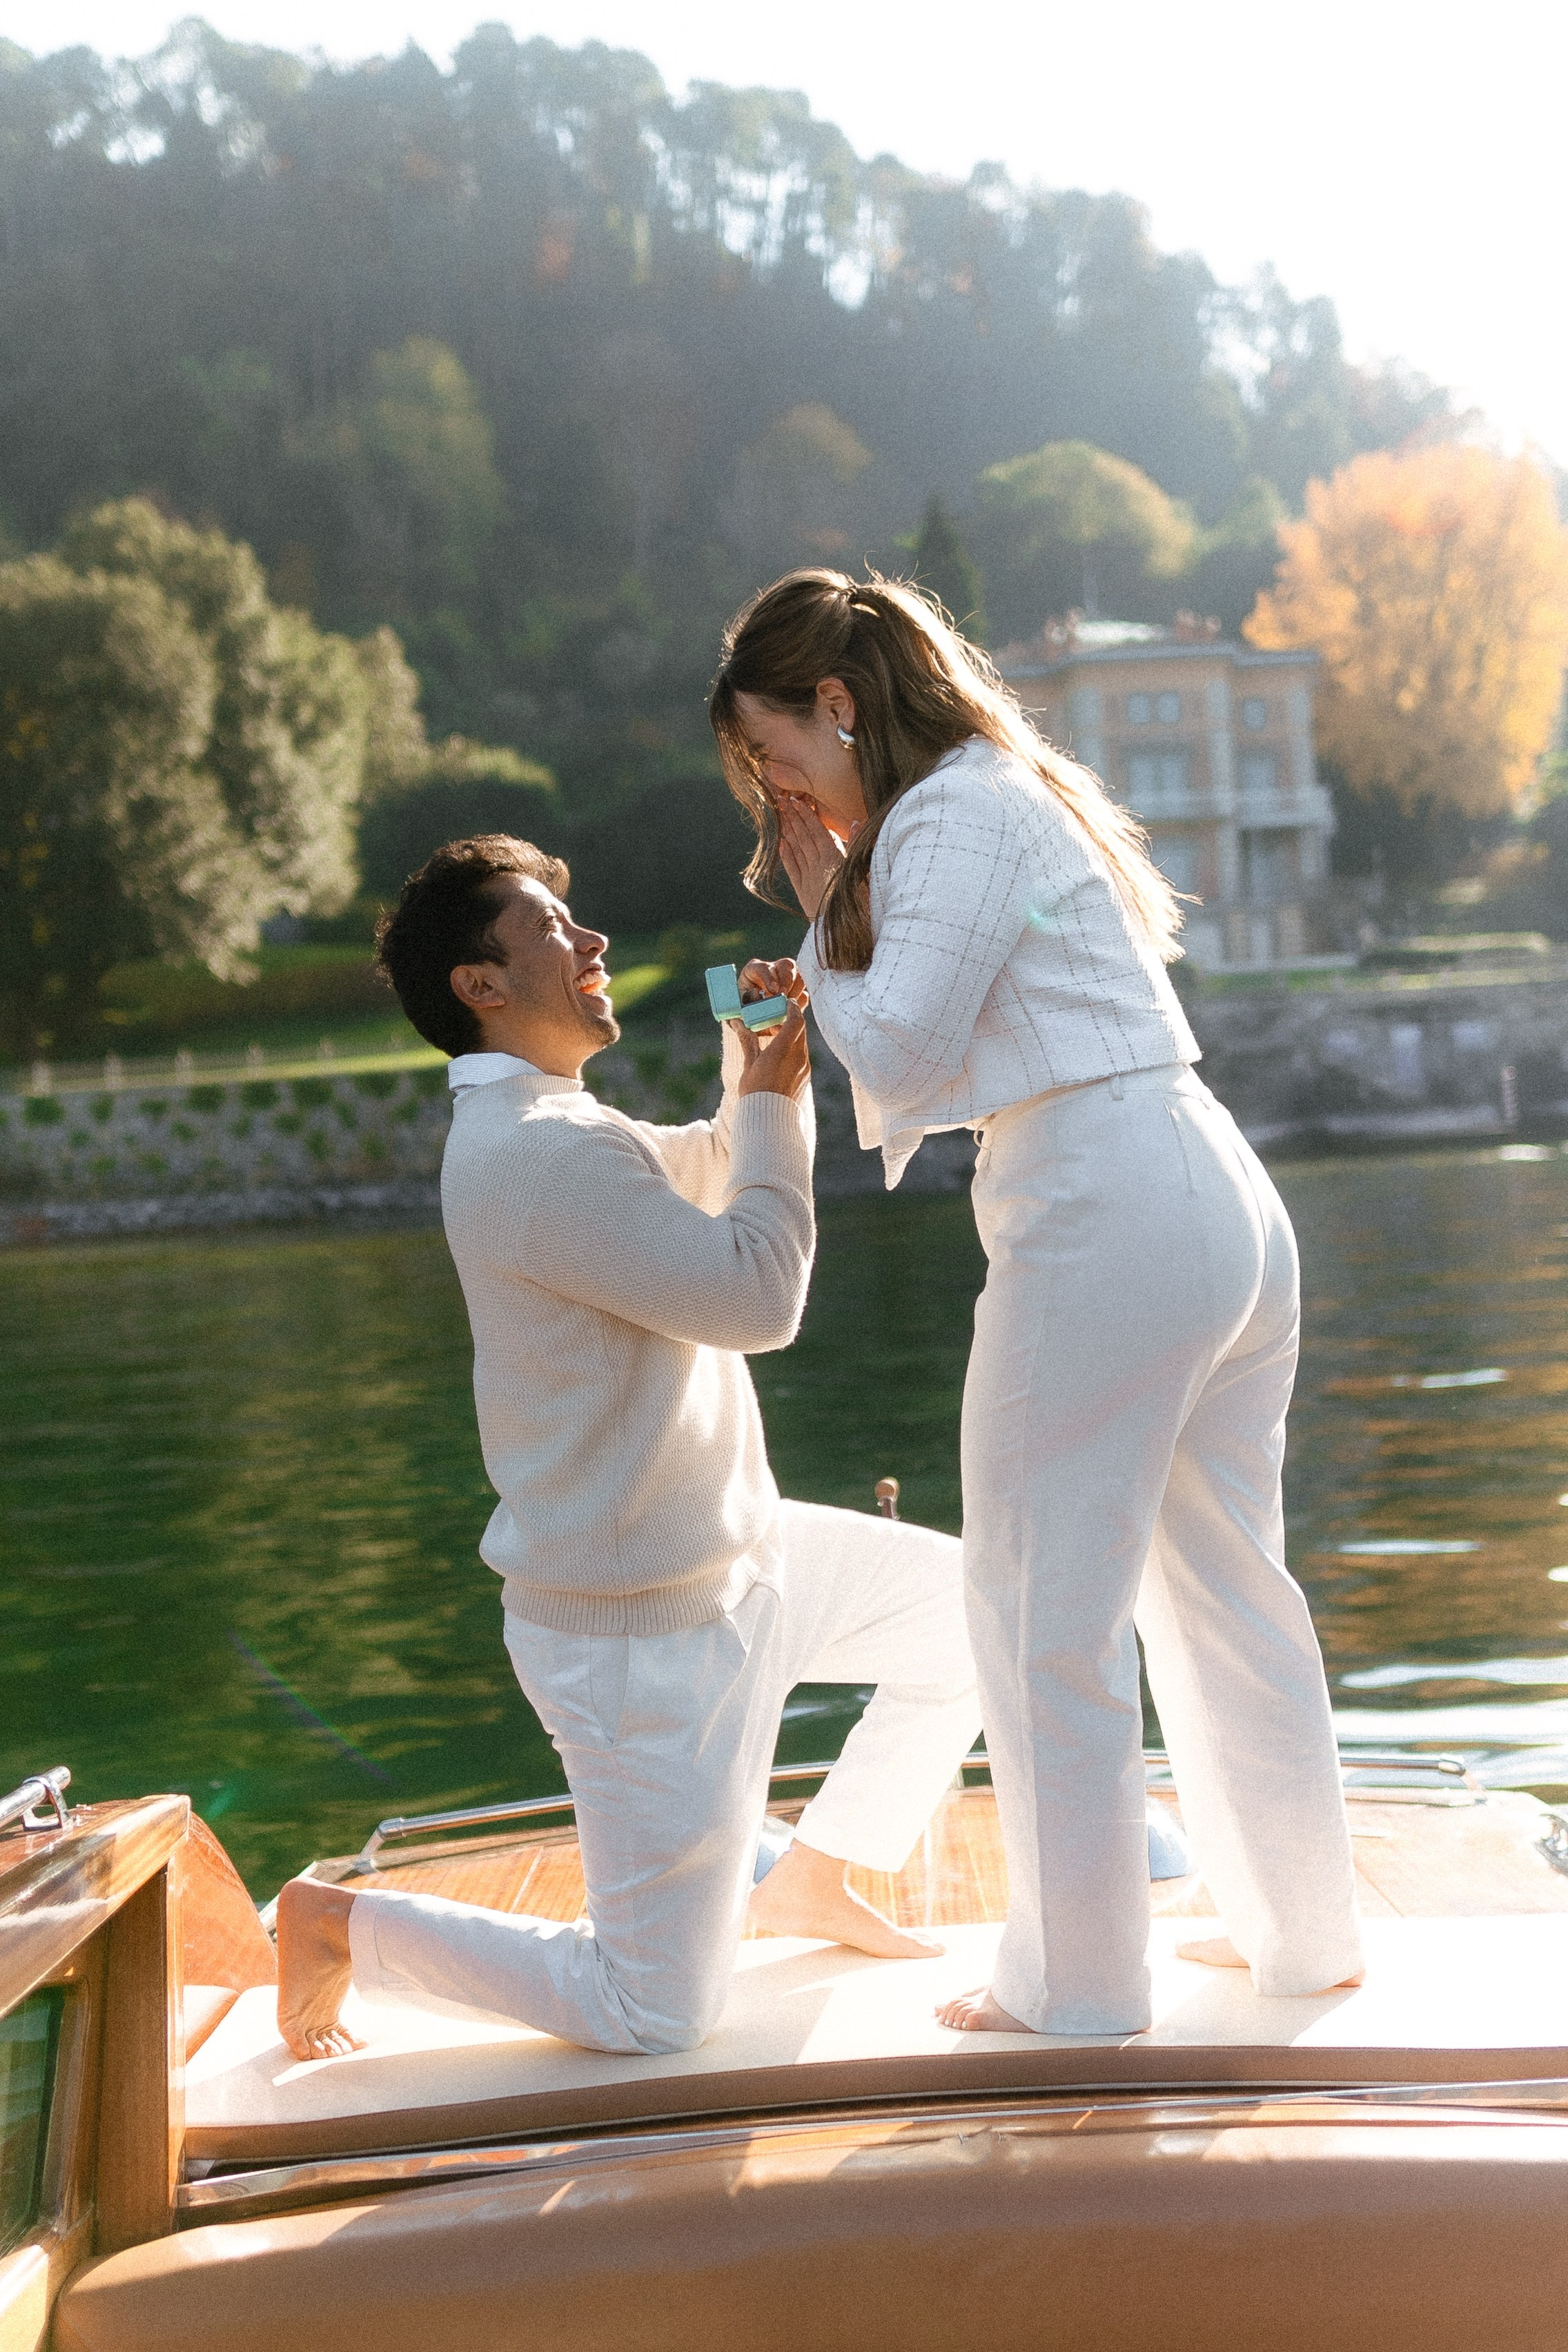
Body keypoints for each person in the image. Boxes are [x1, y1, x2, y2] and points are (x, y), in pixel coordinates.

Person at [709, 571, 1364, 2038]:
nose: (774, 784)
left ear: (834, 701)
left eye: (775, 748)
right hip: (1204, 1188)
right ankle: (1303, 1943)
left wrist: (821, 914)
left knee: (1026, 1607)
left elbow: (912, 1051)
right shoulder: (1004, 794)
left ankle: (1076, 1986)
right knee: (1224, 1593)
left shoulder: (944, 812)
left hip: (1096, 1205)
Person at [275, 834, 981, 2062]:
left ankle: (816, 1877)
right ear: (480, 987)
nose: (590, 940)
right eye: (550, 926)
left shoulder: (558, 1125)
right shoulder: (537, 1155)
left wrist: (754, 1062)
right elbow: (759, 1298)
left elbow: (704, 1175)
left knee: (977, 1613)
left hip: (743, 1559)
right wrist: (765, 1097)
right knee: (653, 2016)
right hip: (642, 1641)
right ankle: (339, 1925)